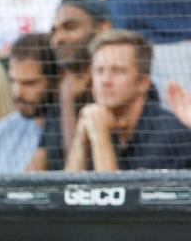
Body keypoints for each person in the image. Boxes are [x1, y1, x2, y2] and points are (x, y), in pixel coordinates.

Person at [65, 29, 191, 171]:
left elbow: (115, 192)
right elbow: (66, 191)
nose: (105, 81)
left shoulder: (170, 136)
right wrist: (80, 140)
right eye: (99, 71)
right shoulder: (98, 121)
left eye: (118, 71)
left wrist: (100, 137)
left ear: (143, 83)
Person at [27, 0, 111, 171]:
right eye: (54, 32)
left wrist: (68, 98)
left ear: (103, 28)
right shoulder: (59, 92)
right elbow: (38, 170)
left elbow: (85, 176)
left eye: (70, 27)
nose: (59, 39)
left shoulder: (119, 88)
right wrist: (66, 99)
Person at [0, 32, 58, 173]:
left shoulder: (67, 131)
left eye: (29, 83)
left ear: (54, 80)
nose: (17, 93)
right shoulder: (2, 131)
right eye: (13, 81)